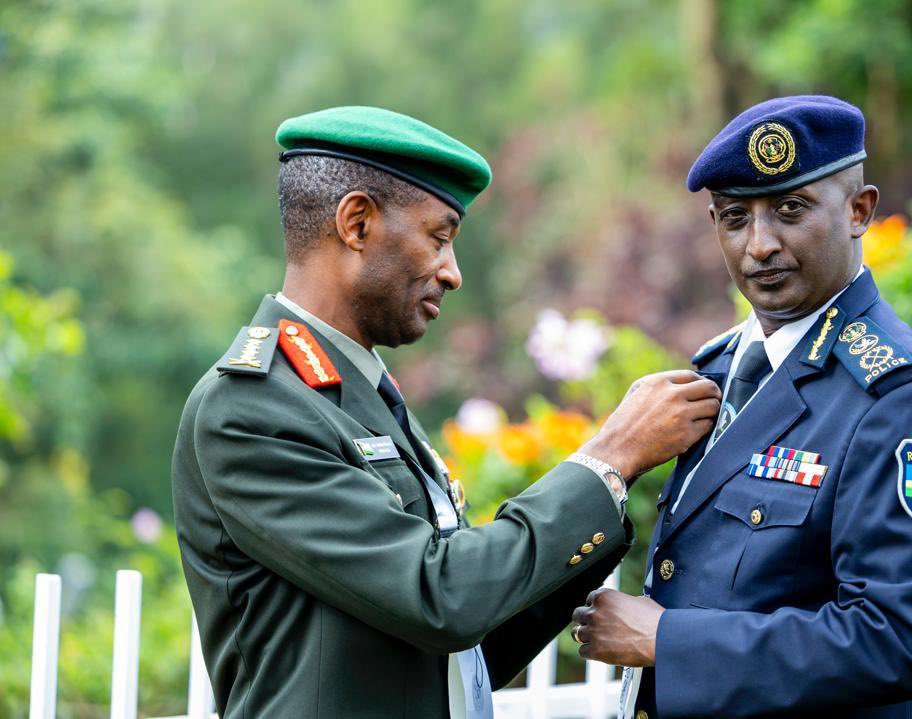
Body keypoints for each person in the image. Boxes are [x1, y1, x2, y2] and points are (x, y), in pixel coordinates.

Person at [171, 106, 724, 719]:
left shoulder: (357, 399)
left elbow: (464, 648)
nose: (452, 273)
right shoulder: (253, 406)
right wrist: (608, 457)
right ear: (357, 223)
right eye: (439, 237)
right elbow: (443, 597)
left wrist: (615, 486)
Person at [571, 96, 912, 718]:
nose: (760, 245)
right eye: (734, 217)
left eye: (790, 209)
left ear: (858, 212)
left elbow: (905, 641)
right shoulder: (717, 368)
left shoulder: (902, 398)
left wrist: (665, 641)